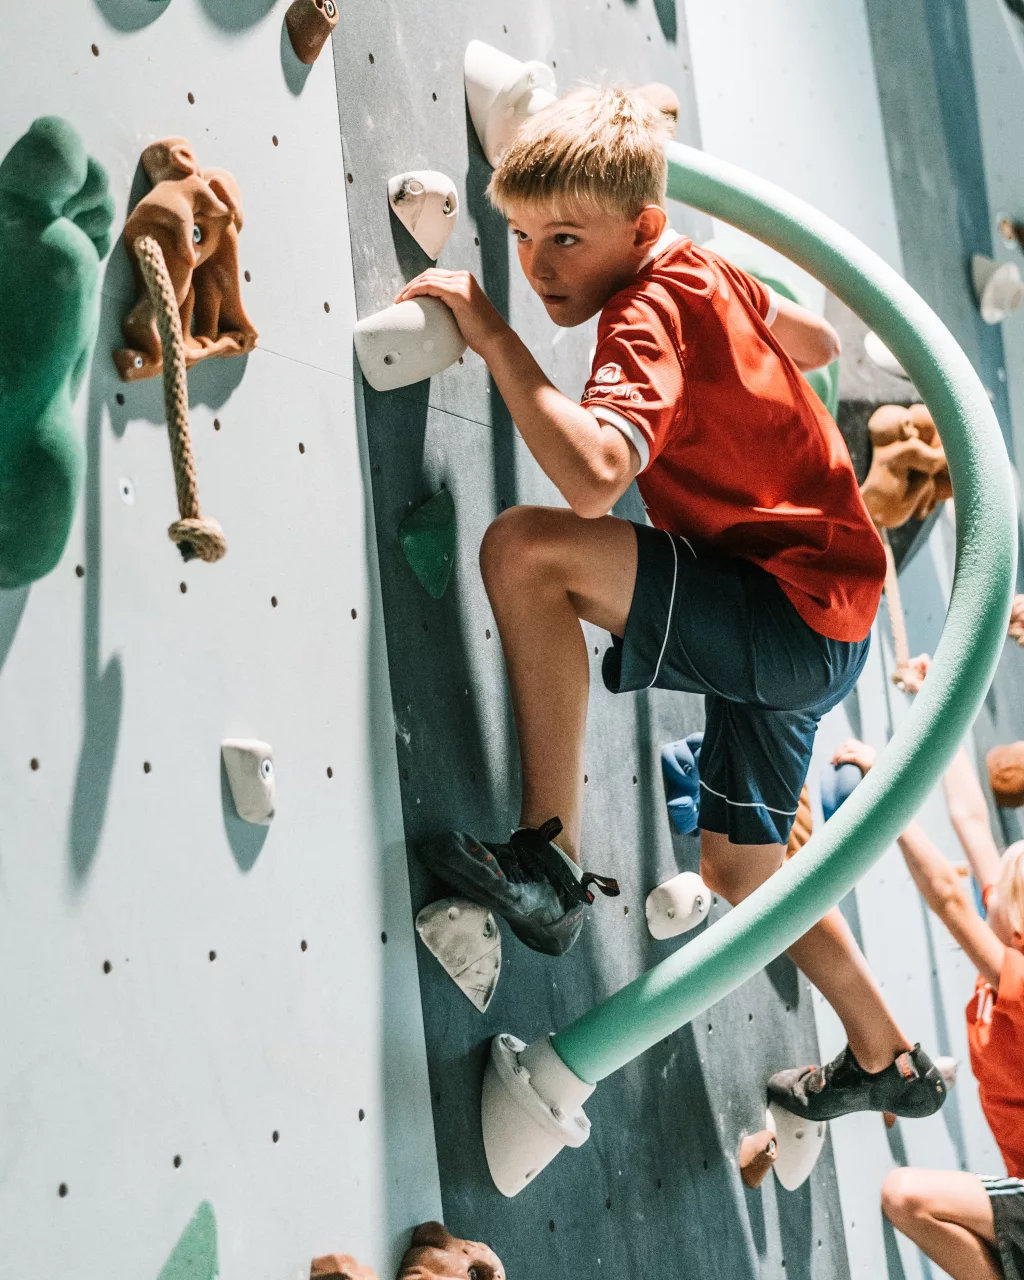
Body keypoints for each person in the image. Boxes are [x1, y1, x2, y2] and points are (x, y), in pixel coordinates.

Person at [397, 86, 945, 1120]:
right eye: (519, 238)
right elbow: (817, 343)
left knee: (525, 552)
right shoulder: (695, 263)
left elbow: (596, 474)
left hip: (782, 609)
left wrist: (489, 327)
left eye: (565, 237)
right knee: (741, 867)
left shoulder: (646, 306)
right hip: (830, 616)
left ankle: (549, 861)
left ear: (641, 225)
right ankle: (890, 1056)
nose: (540, 266)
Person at [831, 737, 1024, 1280]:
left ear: (1017, 926)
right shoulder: (1011, 940)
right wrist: (948, 727)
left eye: (1000, 896)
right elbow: (970, 819)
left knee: (905, 1195)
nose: (988, 893)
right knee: (908, 1203)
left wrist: (886, 789)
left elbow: (947, 895)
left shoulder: (1018, 976)